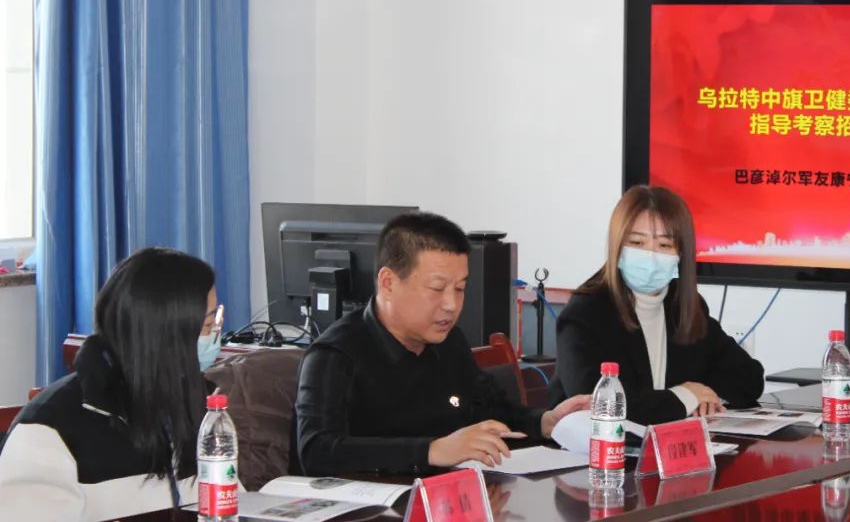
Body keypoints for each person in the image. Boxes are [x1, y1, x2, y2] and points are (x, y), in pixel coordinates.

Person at [294, 211, 590, 475]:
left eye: (460, 288)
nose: (451, 305)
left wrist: (546, 422)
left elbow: (493, 412)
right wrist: (432, 451)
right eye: (437, 288)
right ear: (388, 283)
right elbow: (317, 451)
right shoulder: (335, 354)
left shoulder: (450, 343)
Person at [0, 247, 224, 522]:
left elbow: (230, 505)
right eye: (208, 325)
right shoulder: (49, 429)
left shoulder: (196, 407)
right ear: (166, 335)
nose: (216, 336)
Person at [550, 185, 764, 425]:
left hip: (670, 443)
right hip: (596, 445)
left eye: (664, 245)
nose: (650, 256)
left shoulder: (683, 306)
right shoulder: (585, 313)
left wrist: (705, 396)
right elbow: (598, 404)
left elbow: (750, 378)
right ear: (616, 246)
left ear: (681, 254)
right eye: (637, 243)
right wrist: (684, 397)